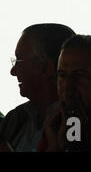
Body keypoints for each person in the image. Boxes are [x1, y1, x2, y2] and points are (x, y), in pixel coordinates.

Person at [0, 23, 75, 152]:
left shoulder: (75, 123)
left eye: (19, 61)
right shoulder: (17, 117)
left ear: (47, 68)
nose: (13, 71)